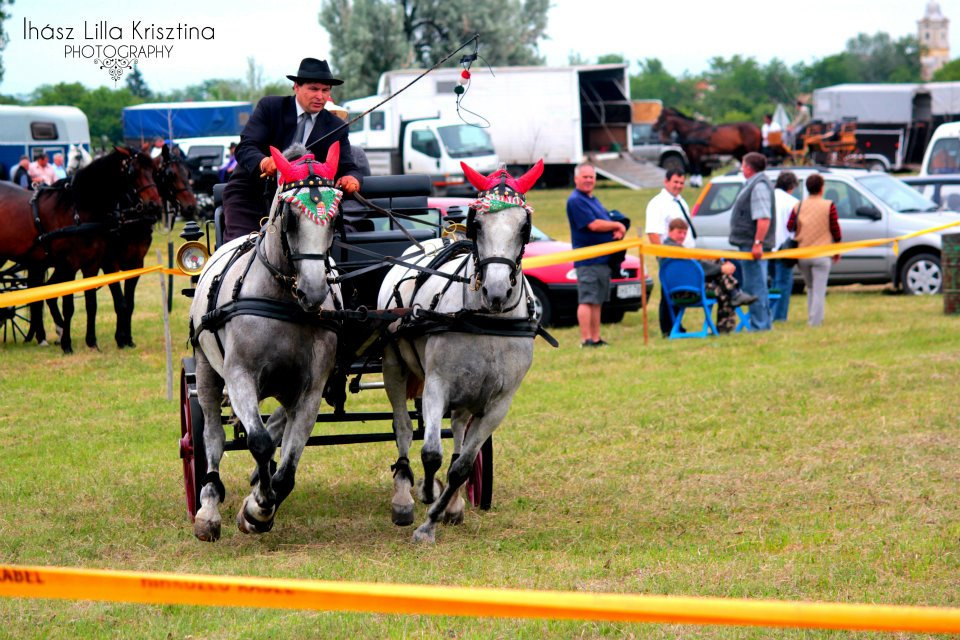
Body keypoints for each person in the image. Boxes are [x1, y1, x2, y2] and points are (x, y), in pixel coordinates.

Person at [222, 58, 363, 242]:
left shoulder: (336, 126)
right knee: (244, 250)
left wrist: (352, 178)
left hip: (304, 206)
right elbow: (246, 146)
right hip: (251, 197)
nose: (321, 96)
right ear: (296, 87)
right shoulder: (270, 107)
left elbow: (348, 167)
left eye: (325, 90)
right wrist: (264, 162)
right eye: (314, 89)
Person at [566, 162, 626, 348]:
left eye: (591, 177)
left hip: (603, 260)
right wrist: (616, 226)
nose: (589, 180)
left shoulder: (592, 199)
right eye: (585, 177)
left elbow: (605, 220)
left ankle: (596, 338)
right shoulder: (575, 200)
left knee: (598, 301)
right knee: (587, 299)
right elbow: (593, 225)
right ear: (576, 179)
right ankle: (586, 340)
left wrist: (618, 228)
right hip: (588, 261)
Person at [662, 218, 755, 334]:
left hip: (682, 288)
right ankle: (732, 304)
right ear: (670, 231)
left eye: (685, 233)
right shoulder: (674, 250)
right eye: (679, 232)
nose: (682, 236)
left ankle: (734, 294)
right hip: (687, 291)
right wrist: (721, 268)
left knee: (718, 272)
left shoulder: (668, 249)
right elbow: (696, 266)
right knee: (723, 290)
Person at [645, 169, 695, 336]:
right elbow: (653, 232)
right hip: (670, 256)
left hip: (684, 255)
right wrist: (663, 257)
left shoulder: (681, 201)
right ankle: (667, 328)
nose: (678, 186)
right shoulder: (658, 203)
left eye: (681, 183)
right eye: (675, 182)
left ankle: (676, 325)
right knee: (669, 292)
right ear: (666, 182)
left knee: (679, 291)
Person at [728, 152, 775, 331]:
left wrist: (757, 243)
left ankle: (760, 326)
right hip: (748, 243)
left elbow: (763, 218)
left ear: (748, 167)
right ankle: (761, 323)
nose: (741, 168)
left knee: (756, 286)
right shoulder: (754, 183)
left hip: (753, 245)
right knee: (754, 284)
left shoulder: (759, 186)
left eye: (742, 164)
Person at [787, 173, 842, 327]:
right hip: (822, 254)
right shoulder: (828, 205)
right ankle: (815, 322)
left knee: (811, 288)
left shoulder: (798, 206)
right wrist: (837, 248)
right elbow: (835, 229)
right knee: (819, 289)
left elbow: (789, 226)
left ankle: (813, 317)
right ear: (822, 189)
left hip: (803, 254)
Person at [771, 171, 800, 322]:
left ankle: (769, 313)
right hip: (785, 247)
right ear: (791, 186)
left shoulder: (768, 198)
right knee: (784, 283)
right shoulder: (793, 202)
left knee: (772, 284)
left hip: (768, 248)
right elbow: (794, 227)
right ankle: (780, 316)